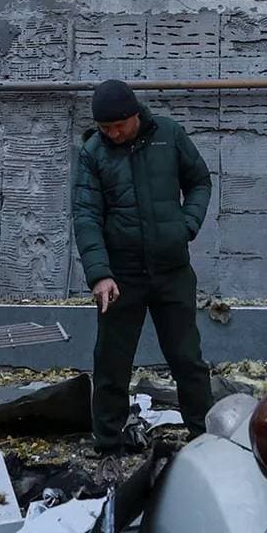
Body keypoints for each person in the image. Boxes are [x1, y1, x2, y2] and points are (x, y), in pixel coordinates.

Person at [73, 79, 215, 455]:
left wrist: (186, 225)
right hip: (121, 277)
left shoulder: (169, 135)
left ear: (135, 114)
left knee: (187, 359)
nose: (113, 134)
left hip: (172, 271)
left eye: (118, 125)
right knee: (111, 361)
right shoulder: (92, 153)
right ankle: (108, 443)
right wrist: (100, 274)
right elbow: (85, 215)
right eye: (105, 128)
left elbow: (200, 181)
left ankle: (204, 437)